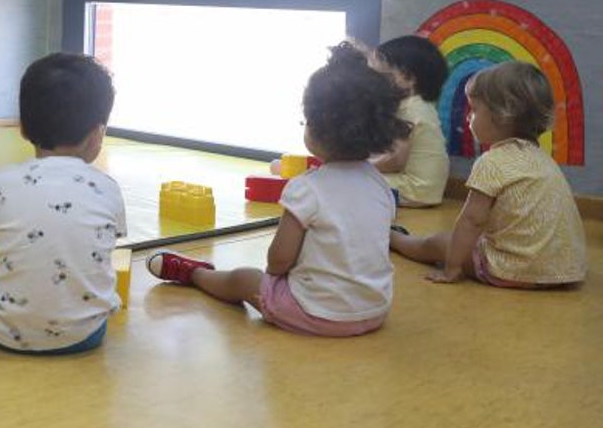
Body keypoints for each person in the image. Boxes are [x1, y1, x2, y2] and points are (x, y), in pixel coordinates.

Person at [148, 42, 408, 337]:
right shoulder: (379, 185)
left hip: (317, 314)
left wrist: (282, 279)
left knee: (246, 279)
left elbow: (278, 261)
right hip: (374, 311)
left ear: (315, 127)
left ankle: (196, 274)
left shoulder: (307, 189)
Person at [0, 52, 126, 354]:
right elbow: (102, 254)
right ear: (97, 134)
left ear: (23, 128)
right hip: (89, 334)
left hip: (3, 332)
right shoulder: (108, 188)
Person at [389, 62, 586, 288]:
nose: (468, 118)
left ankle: (394, 238)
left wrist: (452, 267)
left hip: (513, 271)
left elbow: (472, 220)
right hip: (564, 271)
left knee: (440, 242)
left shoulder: (492, 161)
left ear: (503, 115)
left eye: (474, 109)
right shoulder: (544, 161)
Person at [370, 35, 450, 206]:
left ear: (408, 78)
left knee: (349, 180)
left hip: (415, 189)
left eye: (381, 76)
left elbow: (395, 160)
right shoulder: (420, 106)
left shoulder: (410, 110)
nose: (374, 83)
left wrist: (359, 166)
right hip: (424, 189)